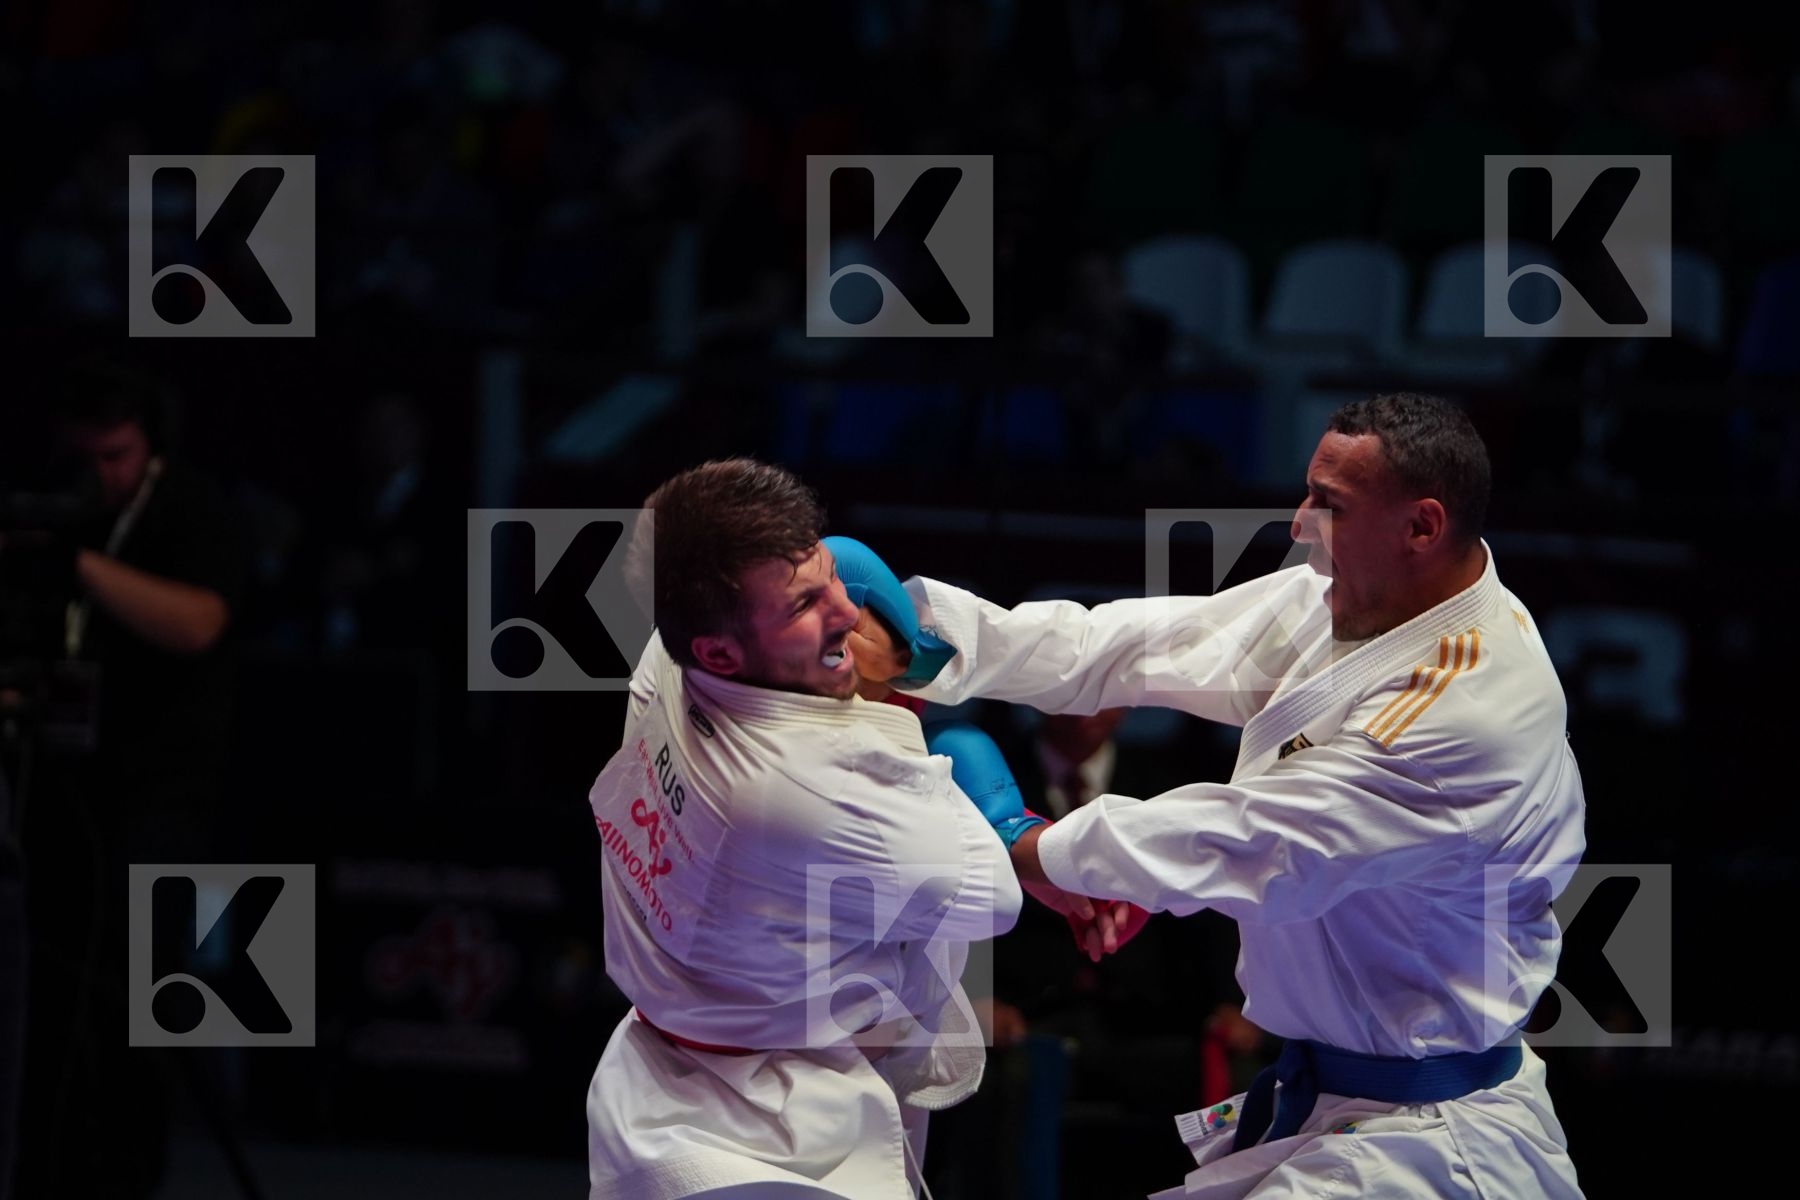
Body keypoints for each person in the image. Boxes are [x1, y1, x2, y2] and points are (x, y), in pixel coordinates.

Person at [878, 393, 1587, 1198]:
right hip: (1347, 1110)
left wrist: (1030, 844)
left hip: (1429, 1146)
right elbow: (1130, 646)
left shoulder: (1468, 705)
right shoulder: (1356, 597)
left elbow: (1261, 840)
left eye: (1328, 504)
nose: (1299, 524)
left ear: (1421, 526)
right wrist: (930, 642)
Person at [582, 459, 1114, 1200]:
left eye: (826, 576)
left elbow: (842, 561)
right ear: (720, 651)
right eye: (806, 603)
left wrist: (867, 653)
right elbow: (992, 896)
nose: (845, 611)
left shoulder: (669, 656)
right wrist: (914, 688)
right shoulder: (811, 788)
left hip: (661, 1088)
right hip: (775, 1138)